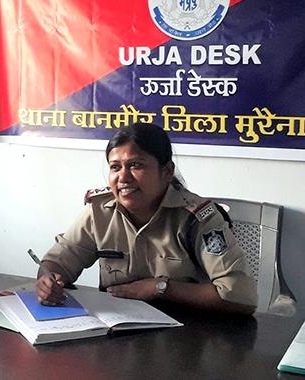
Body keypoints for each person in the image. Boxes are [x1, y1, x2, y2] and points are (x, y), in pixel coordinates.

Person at [35, 122, 257, 314]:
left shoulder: (197, 218)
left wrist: (161, 288)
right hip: (116, 332)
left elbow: (240, 297)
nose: (123, 178)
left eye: (135, 165)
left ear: (167, 171)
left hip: (186, 336)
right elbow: (58, 261)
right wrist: (49, 281)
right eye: (115, 167)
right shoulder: (99, 210)